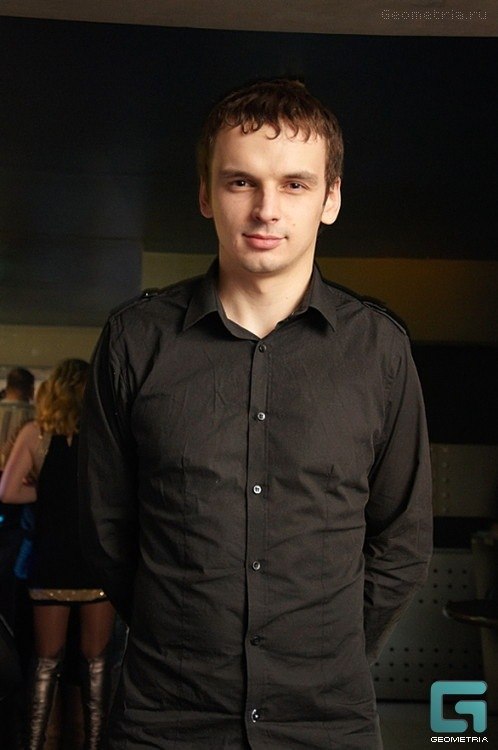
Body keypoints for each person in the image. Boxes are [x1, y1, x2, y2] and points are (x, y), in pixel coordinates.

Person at [79, 79, 433, 749]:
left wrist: (327, 652)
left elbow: (403, 539)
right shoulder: (134, 340)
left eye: (295, 185)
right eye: (241, 182)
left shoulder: (379, 349)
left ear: (330, 199)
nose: (267, 210)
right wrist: (181, 632)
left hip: (328, 723)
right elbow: (105, 530)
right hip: (165, 720)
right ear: (206, 195)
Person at [0, 359, 115, 750]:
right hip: (95, 559)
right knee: (96, 662)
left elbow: (7, 492)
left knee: (47, 660)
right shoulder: (102, 436)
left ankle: (34, 743)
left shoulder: (37, 433)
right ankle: (95, 743)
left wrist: (46, 492)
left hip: (50, 559)